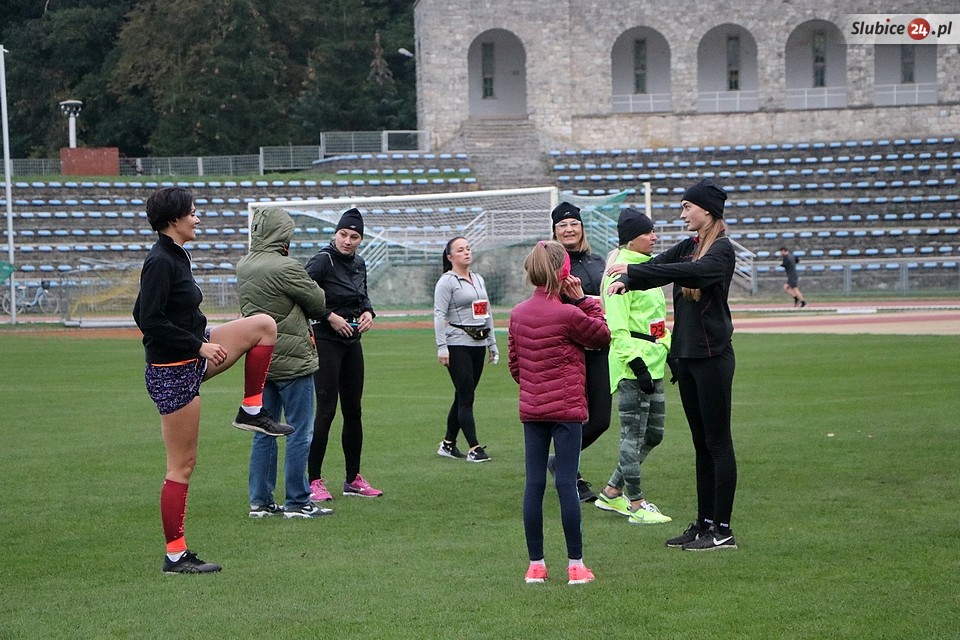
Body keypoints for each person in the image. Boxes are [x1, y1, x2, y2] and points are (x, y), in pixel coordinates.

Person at [133, 187, 293, 575]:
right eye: (192, 212)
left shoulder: (176, 255)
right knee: (182, 466)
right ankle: (175, 556)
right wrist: (198, 346)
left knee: (263, 326)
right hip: (173, 373)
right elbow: (147, 319)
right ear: (174, 219)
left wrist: (200, 342)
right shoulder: (160, 261)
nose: (197, 218)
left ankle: (251, 409)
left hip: (194, 353)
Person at [607, 178, 739, 551]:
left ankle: (723, 530)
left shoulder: (722, 251)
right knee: (701, 445)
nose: (682, 214)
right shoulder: (689, 246)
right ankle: (704, 523)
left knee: (718, 443)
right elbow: (659, 265)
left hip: (713, 357)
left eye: (687, 207)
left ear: (706, 210)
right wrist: (627, 279)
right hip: (688, 357)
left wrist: (634, 275)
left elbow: (689, 273)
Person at [508, 240, 611, 585]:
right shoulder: (569, 313)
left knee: (533, 484)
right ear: (564, 272)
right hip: (567, 409)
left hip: (533, 408)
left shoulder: (518, 314)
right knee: (566, 483)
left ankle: (535, 565)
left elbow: (515, 366)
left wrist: (536, 385)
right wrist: (583, 300)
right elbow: (601, 336)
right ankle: (576, 565)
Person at [237, 205, 334, 519]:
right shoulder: (286, 267)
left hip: (260, 359)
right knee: (298, 432)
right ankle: (297, 501)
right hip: (292, 359)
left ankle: (260, 501)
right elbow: (318, 302)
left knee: (263, 429)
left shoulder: (244, 265)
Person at [596, 208, 673, 525]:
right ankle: (637, 504)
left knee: (654, 434)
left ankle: (611, 491)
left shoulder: (647, 269)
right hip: (633, 368)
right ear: (631, 238)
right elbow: (617, 328)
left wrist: (669, 351)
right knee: (632, 434)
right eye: (648, 232)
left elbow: (656, 322)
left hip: (655, 363)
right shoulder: (619, 275)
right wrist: (637, 364)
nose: (654, 237)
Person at [305, 208, 382, 500]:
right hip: (326, 339)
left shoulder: (359, 263)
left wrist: (368, 312)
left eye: (354, 237)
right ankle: (313, 480)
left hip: (352, 340)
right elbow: (301, 292)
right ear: (335, 233)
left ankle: (353, 479)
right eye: (343, 234)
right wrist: (329, 316)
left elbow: (362, 295)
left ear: (361, 239)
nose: (347, 241)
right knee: (326, 410)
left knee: (354, 410)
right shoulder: (322, 261)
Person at [550, 201, 612, 502]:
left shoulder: (597, 261)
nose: (569, 229)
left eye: (574, 223)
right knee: (572, 417)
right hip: (569, 350)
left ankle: (558, 461)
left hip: (598, 347)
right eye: (562, 225)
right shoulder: (552, 265)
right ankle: (571, 475)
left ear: (582, 228)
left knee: (601, 420)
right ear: (554, 232)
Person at [433, 236, 498, 462]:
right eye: (460, 250)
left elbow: (486, 311)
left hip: (478, 342)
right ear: (450, 256)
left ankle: (448, 444)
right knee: (466, 396)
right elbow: (439, 314)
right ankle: (474, 448)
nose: (466, 252)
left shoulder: (478, 279)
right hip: (457, 343)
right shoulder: (447, 281)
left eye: (468, 248)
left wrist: (492, 343)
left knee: (463, 394)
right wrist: (442, 346)